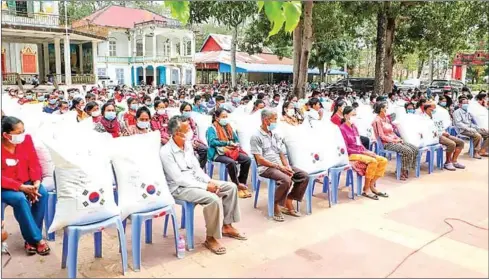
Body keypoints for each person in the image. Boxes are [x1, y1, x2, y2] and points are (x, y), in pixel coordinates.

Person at [160, 116, 245, 255]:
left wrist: (208, 181)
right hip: (180, 188)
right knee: (213, 199)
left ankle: (227, 226)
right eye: (186, 129)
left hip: (196, 182)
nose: (190, 131)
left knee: (231, 187)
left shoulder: (187, 145)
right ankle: (210, 238)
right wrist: (206, 187)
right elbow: (179, 179)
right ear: (176, 133)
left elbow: (197, 169)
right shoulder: (166, 152)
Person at [1, 116, 50, 255]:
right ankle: (37, 239)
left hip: (29, 181)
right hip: (6, 187)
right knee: (20, 199)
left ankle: (30, 240)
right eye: (18, 133)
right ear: (6, 135)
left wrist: (36, 183)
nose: (22, 135)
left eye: (23, 131)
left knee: (43, 193)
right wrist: (20, 187)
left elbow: (34, 162)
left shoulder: (26, 140)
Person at [251, 109, 309, 221]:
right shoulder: (256, 136)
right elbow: (259, 159)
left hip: (279, 165)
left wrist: (286, 166)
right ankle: (275, 205)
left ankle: (289, 200)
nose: (276, 122)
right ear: (266, 120)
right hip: (266, 168)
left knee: (304, 176)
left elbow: (281, 152)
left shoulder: (275, 134)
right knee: (286, 180)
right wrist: (279, 167)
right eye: (274, 119)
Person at [340, 106, 388, 200]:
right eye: (352, 115)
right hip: (351, 154)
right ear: (346, 116)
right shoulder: (342, 129)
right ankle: (366, 189)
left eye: (355, 115)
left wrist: (367, 151)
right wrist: (364, 152)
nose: (354, 117)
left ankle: (371, 185)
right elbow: (346, 148)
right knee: (372, 161)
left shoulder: (354, 127)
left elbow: (359, 143)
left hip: (360, 151)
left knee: (383, 160)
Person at [206, 108, 252, 199]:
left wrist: (235, 144)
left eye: (226, 116)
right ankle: (236, 186)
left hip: (230, 150)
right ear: (217, 118)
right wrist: (227, 143)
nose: (225, 119)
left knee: (247, 159)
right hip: (217, 153)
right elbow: (212, 142)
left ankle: (242, 183)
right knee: (231, 162)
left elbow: (235, 139)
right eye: (223, 117)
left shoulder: (228, 127)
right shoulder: (211, 129)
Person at [373, 102, 418, 180]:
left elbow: (392, 132)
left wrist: (398, 138)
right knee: (407, 151)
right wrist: (393, 140)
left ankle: (407, 168)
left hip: (394, 140)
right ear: (381, 109)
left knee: (415, 149)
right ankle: (402, 171)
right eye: (385, 108)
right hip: (387, 143)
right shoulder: (377, 121)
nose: (387, 109)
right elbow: (381, 136)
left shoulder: (386, 119)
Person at [422, 104, 465, 170]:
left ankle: (454, 161)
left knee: (461, 142)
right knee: (451, 144)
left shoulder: (435, 116)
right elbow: (428, 131)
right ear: (425, 109)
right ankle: (448, 162)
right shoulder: (423, 119)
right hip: (433, 137)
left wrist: (444, 132)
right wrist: (441, 133)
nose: (433, 111)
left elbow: (440, 126)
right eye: (431, 109)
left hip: (442, 134)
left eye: (434, 109)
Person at [180, 102, 208, 168]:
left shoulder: (191, 121)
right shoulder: (178, 121)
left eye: (189, 110)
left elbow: (194, 133)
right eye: (186, 111)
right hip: (183, 142)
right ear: (181, 111)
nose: (188, 112)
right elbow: (179, 135)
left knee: (205, 149)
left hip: (192, 141)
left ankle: (199, 169)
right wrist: (188, 142)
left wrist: (194, 141)